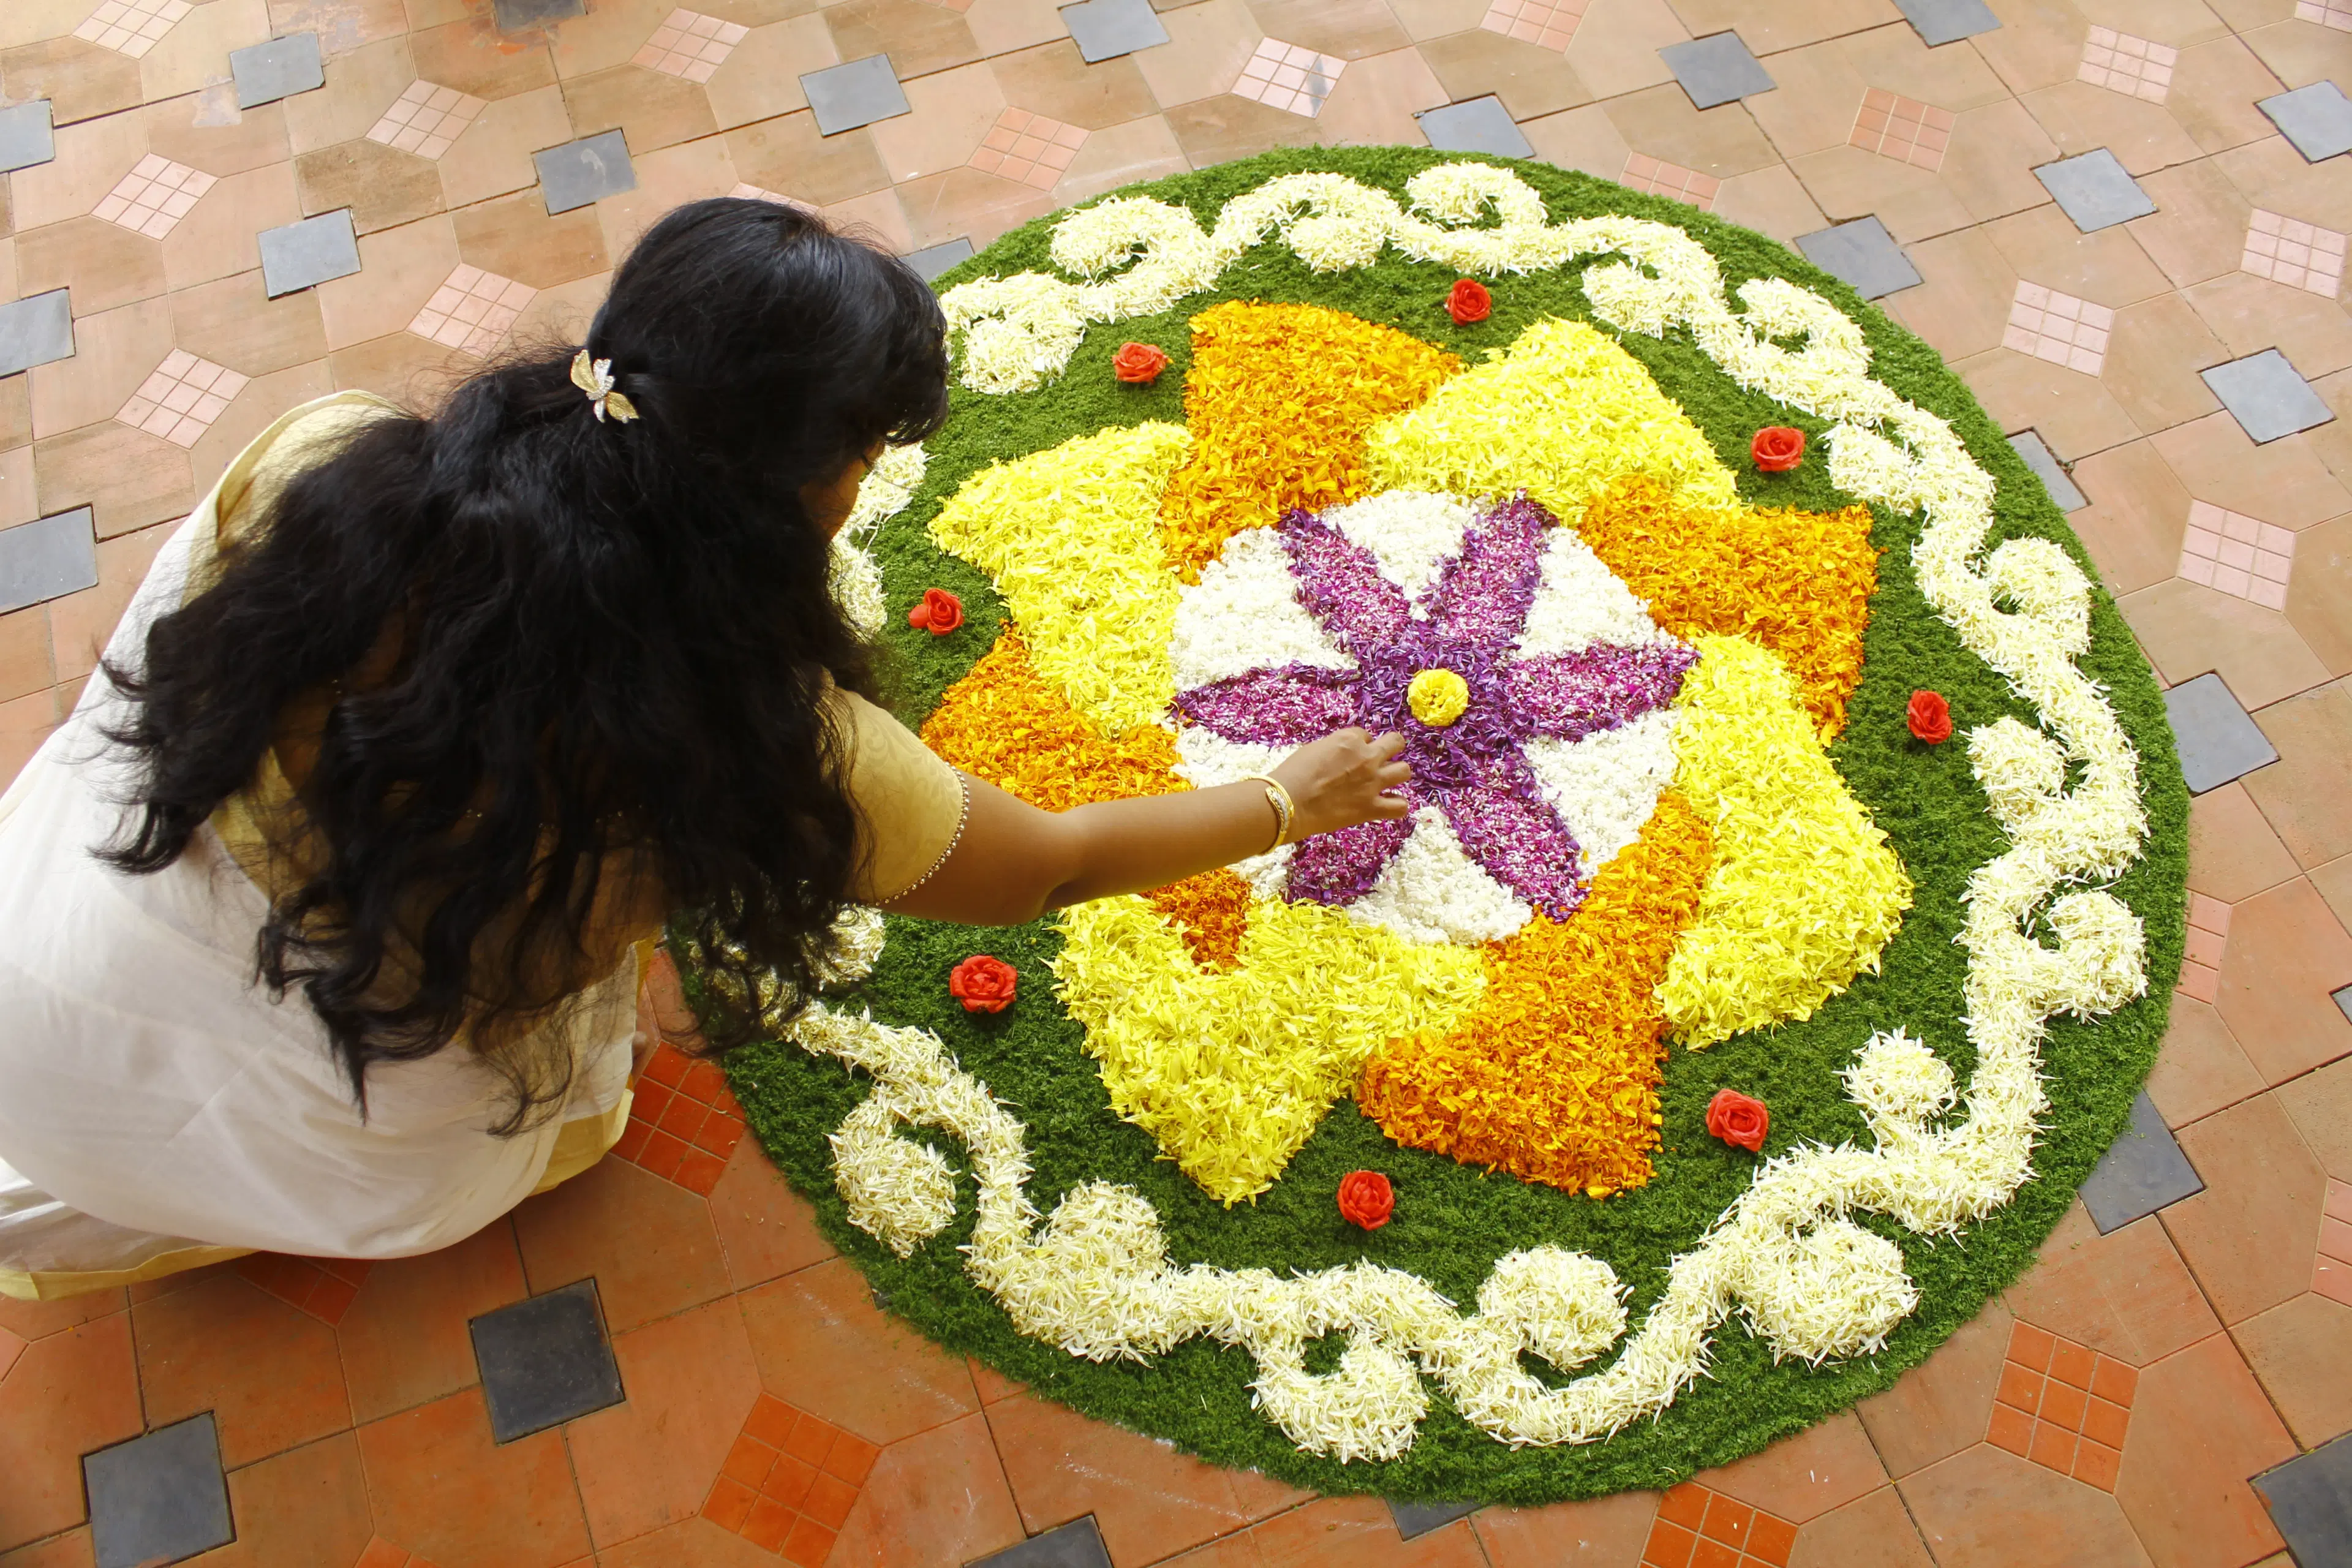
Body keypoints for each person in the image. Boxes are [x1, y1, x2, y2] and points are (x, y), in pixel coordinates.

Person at [0, 199, 1410, 1300]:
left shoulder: (330, 455)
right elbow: (1046, 868)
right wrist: (1292, 794)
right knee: (577, 1120)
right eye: (866, 452)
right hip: (304, 1114)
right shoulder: (774, 751)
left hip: (42, 941)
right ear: (815, 485)